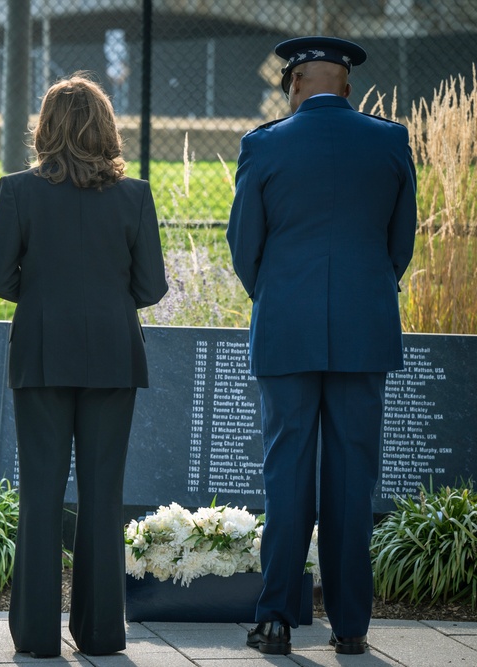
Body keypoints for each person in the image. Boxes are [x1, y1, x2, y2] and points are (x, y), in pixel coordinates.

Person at [227, 37, 417, 656]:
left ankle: (277, 618)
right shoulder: (390, 141)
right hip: (365, 333)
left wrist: (278, 296)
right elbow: (400, 245)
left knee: (286, 474)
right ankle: (352, 626)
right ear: (349, 86)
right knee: (352, 481)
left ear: (293, 84)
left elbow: (244, 245)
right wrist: (363, 295)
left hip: (286, 330)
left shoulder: (263, 145)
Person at [0, 74, 167, 658]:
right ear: (106, 127)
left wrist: (40, 298)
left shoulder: (17, 191)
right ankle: (102, 632)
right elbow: (152, 285)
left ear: (45, 128)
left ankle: (36, 636)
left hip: (39, 354)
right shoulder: (135, 195)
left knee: (39, 494)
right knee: (104, 495)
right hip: (113, 355)